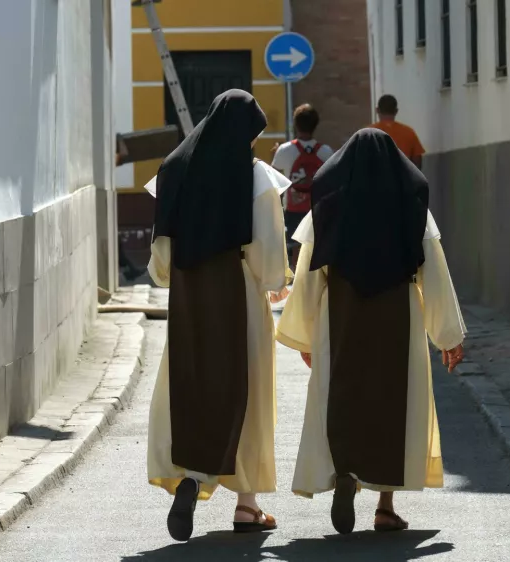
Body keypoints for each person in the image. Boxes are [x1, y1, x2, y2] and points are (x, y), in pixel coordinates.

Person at [276, 128, 466, 534]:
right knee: (391, 402)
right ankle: (384, 505)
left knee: (342, 395)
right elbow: (433, 273)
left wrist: (305, 334)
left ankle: (345, 472)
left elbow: (310, 276)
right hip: (397, 314)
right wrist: (448, 337)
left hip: (339, 316)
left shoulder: (325, 208)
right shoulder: (411, 205)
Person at [145, 89, 292, 542]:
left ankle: (192, 476)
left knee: (192, 383)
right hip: (239, 289)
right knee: (246, 391)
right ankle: (247, 505)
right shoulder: (255, 178)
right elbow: (269, 252)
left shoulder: (174, 170)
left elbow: (160, 261)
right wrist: (274, 282)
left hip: (188, 294)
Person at [272, 104, 334, 270]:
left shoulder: (284, 150)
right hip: (317, 210)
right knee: (315, 252)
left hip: (293, 211)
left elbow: (273, 181)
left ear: (295, 125)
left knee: (294, 255)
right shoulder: (326, 152)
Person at [370, 95, 426, 169]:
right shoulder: (408, 132)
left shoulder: (368, 133)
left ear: (377, 110)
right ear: (396, 111)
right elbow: (417, 161)